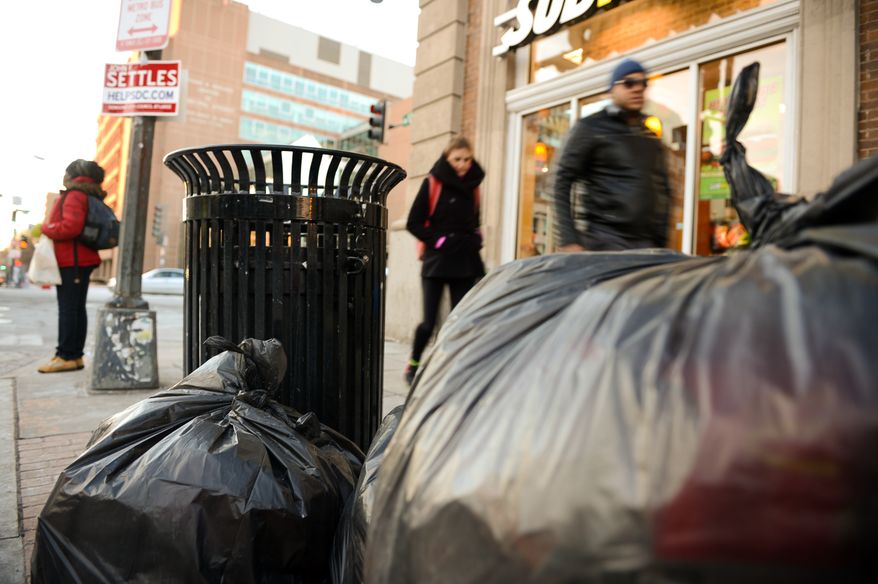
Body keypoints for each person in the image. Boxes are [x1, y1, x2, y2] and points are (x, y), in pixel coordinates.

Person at [553, 58, 671, 252]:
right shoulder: (591, 128)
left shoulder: (649, 134)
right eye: (629, 83)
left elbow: (664, 188)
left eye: (643, 84)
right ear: (612, 89)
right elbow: (561, 181)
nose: (637, 89)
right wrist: (568, 238)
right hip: (604, 241)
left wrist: (661, 239)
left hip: (646, 245)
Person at [404, 136, 485, 385]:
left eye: (467, 159)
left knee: (461, 320)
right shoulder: (433, 182)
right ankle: (414, 363)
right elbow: (413, 222)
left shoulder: (474, 184)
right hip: (437, 262)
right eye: (457, 159)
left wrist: (476, 237)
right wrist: (438, 241)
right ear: (447, 159)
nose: (462, 164)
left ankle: (452, 367)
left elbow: (474, 220)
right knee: (429, 324)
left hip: (465, 260)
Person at [38, 159, 107, 373]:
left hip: (73, 261)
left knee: (68, 309)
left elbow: (70, 227)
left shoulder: (75, 195)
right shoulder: (88, 194)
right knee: (76, 309)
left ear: (72, 176)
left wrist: (46, 228)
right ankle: (74, 356)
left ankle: (66, 355)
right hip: (79, 260)